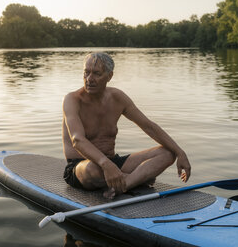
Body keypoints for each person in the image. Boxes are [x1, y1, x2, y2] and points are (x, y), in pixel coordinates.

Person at [62, 52, 191, 199]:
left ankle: (125, 184)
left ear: (109, 76)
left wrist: (180, 152)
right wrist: (106, 164)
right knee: (94, 168)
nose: (89, 79)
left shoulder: (117, 97)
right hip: (82, 168)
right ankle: (137, 178)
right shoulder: (72, 100)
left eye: (97, 74)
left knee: (168, 153)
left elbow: (149, 126)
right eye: (86, 72)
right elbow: (77, 140)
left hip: (113, 162)